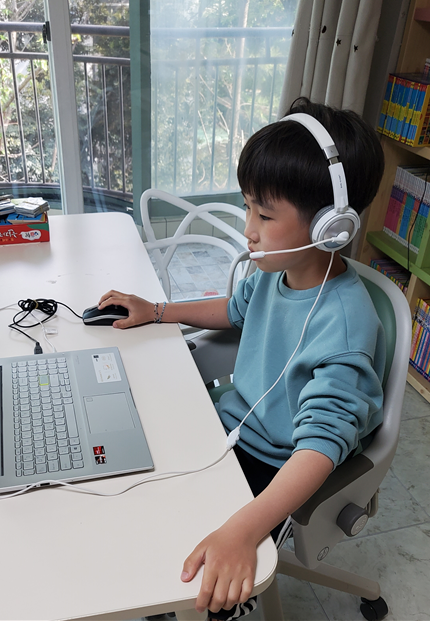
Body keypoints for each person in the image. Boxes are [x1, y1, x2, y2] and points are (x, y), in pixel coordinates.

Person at [97, 97, 386, 619]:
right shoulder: (276, 272)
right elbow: (233, 310)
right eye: (249, 207)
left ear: (331, 226)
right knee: (131, 480)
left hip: (276, 466)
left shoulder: (345, 327)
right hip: (228, 427)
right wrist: (156, 310)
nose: (249, 228)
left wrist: (244, 530)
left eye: (265, 214)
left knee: (204, 585)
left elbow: (319, 447)